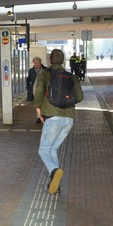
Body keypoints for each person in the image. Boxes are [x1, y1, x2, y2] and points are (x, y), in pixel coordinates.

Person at [34, 49, 83, 194]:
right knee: (52, 148)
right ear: (63, 60)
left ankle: (54, 171)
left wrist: (38, 108)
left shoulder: (45, 73)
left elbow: (38, 92)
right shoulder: (71, 76)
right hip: (69, 119)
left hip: (53, 117)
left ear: (50, 59)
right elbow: (79, 96)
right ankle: (56, 183)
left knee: (43, 149)